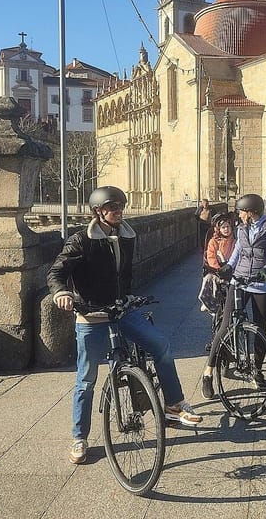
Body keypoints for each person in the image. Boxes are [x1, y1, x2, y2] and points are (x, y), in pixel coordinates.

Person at [48, 185, 202, 465]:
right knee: (86, 380)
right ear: (98, 211)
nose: (119, 211)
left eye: (121, 206)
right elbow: (57, 271)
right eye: (113, 207)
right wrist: (61, 292)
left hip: (121, 311)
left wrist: (129, 297)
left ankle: (173, 404)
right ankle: (79, 438)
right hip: (92, 317)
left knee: (162, 346)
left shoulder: (127, 235)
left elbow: (123, 275)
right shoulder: (81, 240)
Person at [201, 194, 266, 398]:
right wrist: (227, 268)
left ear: (251, 212)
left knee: (259, 330)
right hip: (239, 281)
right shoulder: (241, 229)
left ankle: (257, 370)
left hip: (261, 284)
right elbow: (237, 253)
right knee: (225, 324)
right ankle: (208, 372)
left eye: (241, 211)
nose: (239, 215)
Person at [198, 213, 236, 314]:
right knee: (209, 279)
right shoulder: (213, 241)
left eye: (228, 227)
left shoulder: (234, 241)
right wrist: (218, 268)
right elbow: (211, 257)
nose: (226, 229)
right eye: (223, 227)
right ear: (218, 229)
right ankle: (208, 303)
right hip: (217, 270)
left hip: (230, 268)